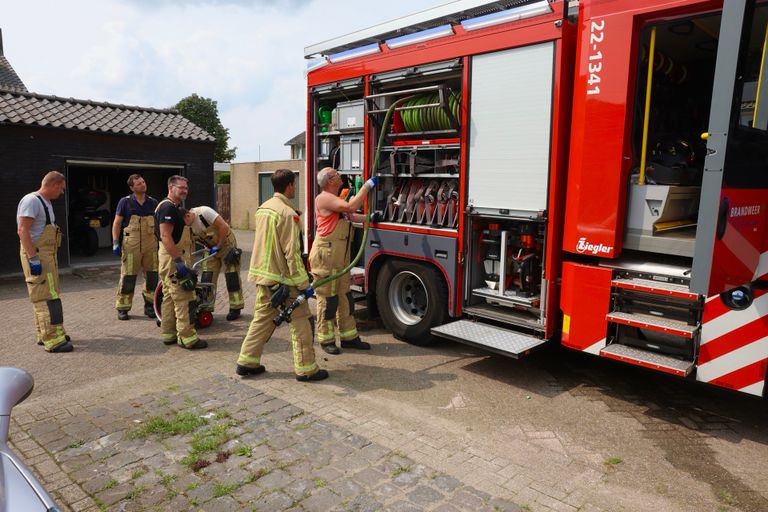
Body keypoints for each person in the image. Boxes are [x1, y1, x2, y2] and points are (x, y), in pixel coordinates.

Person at [236, 169, 326, 381]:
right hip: (284, 281)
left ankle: (246, 362)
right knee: (301, 322)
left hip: (263, 278)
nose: (295, 188)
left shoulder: (264, 208)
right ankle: (306, 370)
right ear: (289, 185)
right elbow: (291, 253)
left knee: (262, 320)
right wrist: (304, 284)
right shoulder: (288, 214)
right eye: (294, 184)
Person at [310, 167, 378, 355]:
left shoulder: (336, 199)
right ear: (329, 180)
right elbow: (350, 208)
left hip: (339, 256)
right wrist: (366, 187)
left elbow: (350, 215)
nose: (340, 175)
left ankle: (349, 337)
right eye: (336, 174)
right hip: (327, 256)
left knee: (344, 297)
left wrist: (370, 218)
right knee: (328, 298)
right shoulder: (323, 198)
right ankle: (326, 340)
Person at [16, 171, 72, 353]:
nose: (62, 193)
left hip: (47, 255)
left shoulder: (45, 202)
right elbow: (22, 230)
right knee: (45, 297)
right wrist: (33, 258)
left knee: (50, 293)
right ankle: (53, 340)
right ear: (54, 184)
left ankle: (47, 333)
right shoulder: (32, 201)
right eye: (61, 189)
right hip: (38, 255)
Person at [154, 175, 207, 350]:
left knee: (169, 297)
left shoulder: (174, 207)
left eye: (186, 187)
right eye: (181, 187)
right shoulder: (168, 208)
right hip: (172, 259)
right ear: (171, 187)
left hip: (169, 259)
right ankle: (187, 338)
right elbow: (165, 236)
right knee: (184, 298)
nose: (184, 190)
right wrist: (178, 262)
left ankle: (168, 334)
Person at [111, 174, 160, 320]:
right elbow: (117, 223)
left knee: (152, 276)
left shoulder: (153, 202)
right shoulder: (125, 202)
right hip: (131, 246)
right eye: (138, 184)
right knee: (128, 277)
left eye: (143, 182)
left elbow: (159, 225)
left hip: (151, 245)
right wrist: (115, 242)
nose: (142, 185)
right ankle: (123, 307)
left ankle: (150, 306)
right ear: (132, 187)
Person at [183, 206, 244, 320]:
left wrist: (219, 245)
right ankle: (206, 307)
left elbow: (223, 226)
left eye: (184, 222)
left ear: (188, 215)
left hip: (226, 244)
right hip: (209, 248)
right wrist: (190, 264)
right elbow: (191, 243)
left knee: (232, 276)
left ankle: (236, 307)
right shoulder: (188, 226)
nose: (185, 225)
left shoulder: (204, 213)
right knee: (207, 277)